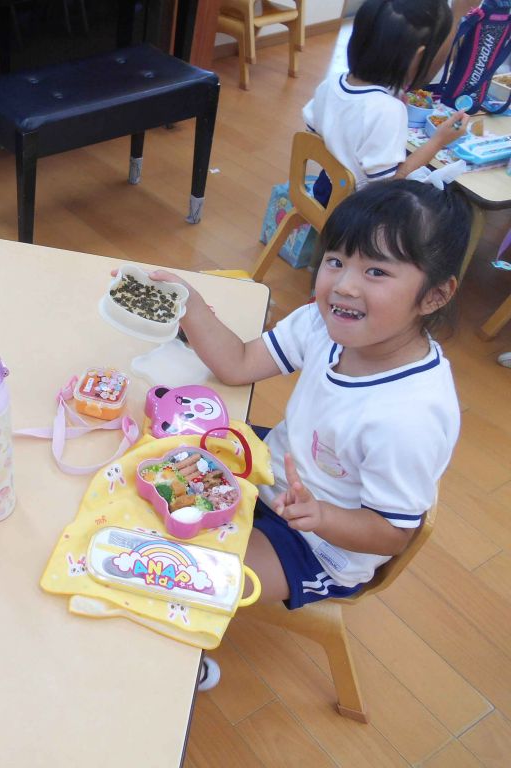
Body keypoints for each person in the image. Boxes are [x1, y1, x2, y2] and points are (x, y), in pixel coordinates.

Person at [143, 180, 469, 688]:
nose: (344, 286)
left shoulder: (408, 417)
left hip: (318, 544)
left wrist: (323, 517)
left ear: (435, 295)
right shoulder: (323, 324)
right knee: (151, 459)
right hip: (274, 469)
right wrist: (193, 307)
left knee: (181, 580)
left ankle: (181, 665)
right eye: (336, 260)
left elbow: (393, 532)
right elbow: (239, 363)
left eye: (376, 271)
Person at [304, 0, 476, 205]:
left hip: (324, 189)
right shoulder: (388, 110)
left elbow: (313, 132)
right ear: (418, 56)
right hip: (353, 209)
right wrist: (438, 141)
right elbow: (388, 186)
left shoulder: (331, 84)